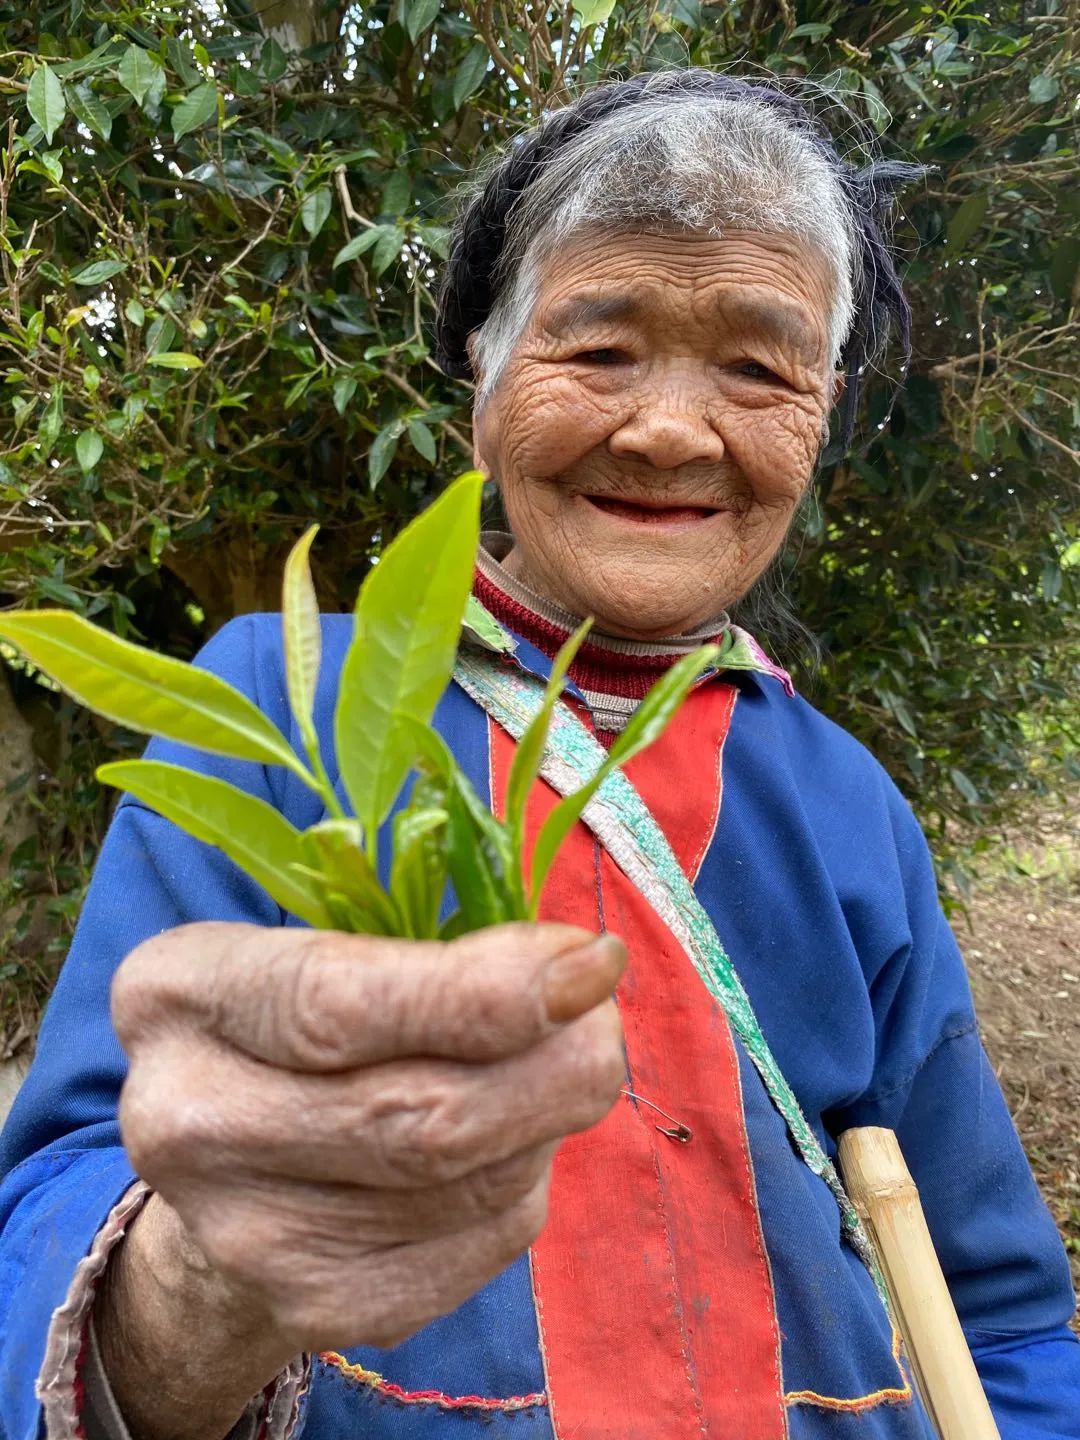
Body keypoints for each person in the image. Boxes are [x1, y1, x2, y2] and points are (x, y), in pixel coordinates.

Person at [1, 69, 1078, 1440]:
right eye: (601, 348)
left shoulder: (840, 797)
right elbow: (64, 1206)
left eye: (757, 367)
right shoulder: (282, 703)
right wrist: (199, 1283)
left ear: (823, 412)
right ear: (485, 379)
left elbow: (1003, 1315)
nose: (674, 428)